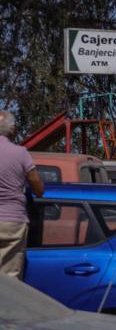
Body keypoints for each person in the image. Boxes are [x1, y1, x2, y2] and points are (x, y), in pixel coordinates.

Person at [0, 110, 43, 279]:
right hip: (13, 220)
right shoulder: (21, 153)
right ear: (12, 130)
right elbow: (37, 186)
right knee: (10, 276)